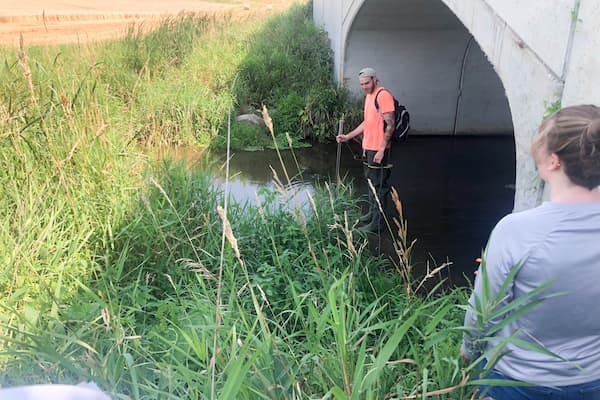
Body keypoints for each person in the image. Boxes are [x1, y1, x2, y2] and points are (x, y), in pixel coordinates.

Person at [462, 105, 600, 399]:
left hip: (516, 381)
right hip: (592, 380)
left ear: (553, 162)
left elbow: (484, 310)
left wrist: (467, 352)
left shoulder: (517, 230)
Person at [336, 67, 396, 232]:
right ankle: (371, 215)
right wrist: (348, 136)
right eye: (361, 84)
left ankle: (377, 225)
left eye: (367, 83)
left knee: (379, 187)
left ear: (375, 79)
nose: (364, 87)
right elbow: (367, 122)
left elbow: (391, 125)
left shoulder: (383, 96)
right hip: (368, 148)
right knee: (370, 183)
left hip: (379, 150)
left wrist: (382, 149)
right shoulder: (369, 96)